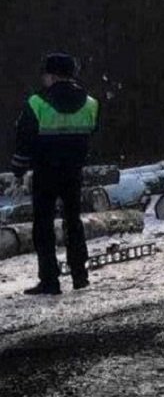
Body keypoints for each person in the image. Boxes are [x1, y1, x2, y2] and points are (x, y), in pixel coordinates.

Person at [9, 53, 99, 295]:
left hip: (45, 172)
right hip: (73, 172)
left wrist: (18, 170)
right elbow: (92, 134)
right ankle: (80, 274)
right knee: (74, 221)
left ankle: (50, 280)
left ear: (51, 75)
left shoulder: (37, 103)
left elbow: (24, 140)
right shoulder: (90, 103)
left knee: (44, 226)